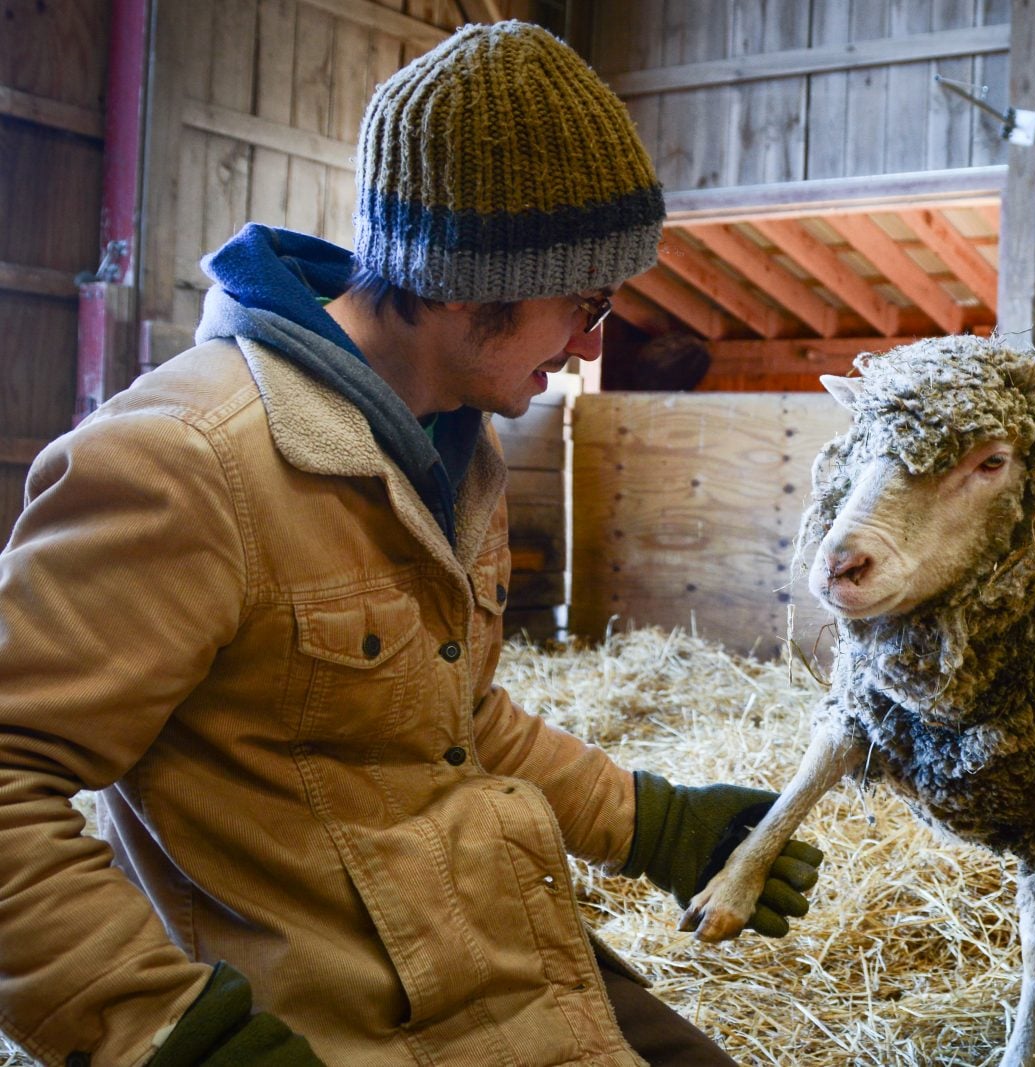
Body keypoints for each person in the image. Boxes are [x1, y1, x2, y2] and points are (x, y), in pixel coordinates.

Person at [0, 22, 820, 1067]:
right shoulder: (185, 461)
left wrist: (652, 821)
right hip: (331, 1016)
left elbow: (447, 716)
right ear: (459, 283)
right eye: (582, 301)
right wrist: (164, 1030)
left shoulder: (449, 439)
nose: (591, 344)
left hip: (488, 945)